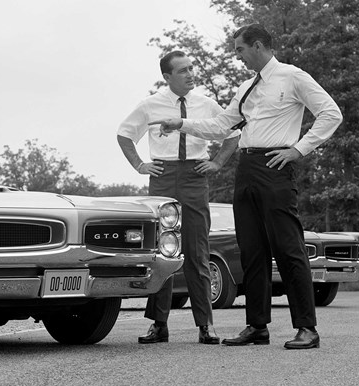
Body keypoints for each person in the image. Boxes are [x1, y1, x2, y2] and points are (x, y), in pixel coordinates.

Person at [150, 24, 343, 350]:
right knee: (252, 250)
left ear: (257, 46)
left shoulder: (293, 77)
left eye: (239, 49)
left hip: (276, 166)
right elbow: (220, 125)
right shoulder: (246, 87)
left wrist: (299, 149)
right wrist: (181, 123)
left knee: (288, 248)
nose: (237, 56)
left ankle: (307, 328)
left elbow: (330, 113)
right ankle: (257, 326)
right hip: (247, 168)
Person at [117, 51, 240, 345]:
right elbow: (124, 134)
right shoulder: (150, 105)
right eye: (183, 70)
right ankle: (159, 324)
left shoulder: (206, 104)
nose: (190, 74)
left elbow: (233, 133)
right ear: (167, 77)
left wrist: (217, 163)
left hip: (194, 176)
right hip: (162, 176)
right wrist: (139, 165)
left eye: (191, 68)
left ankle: (206, 325)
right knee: (163, 252)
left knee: (198, 251)